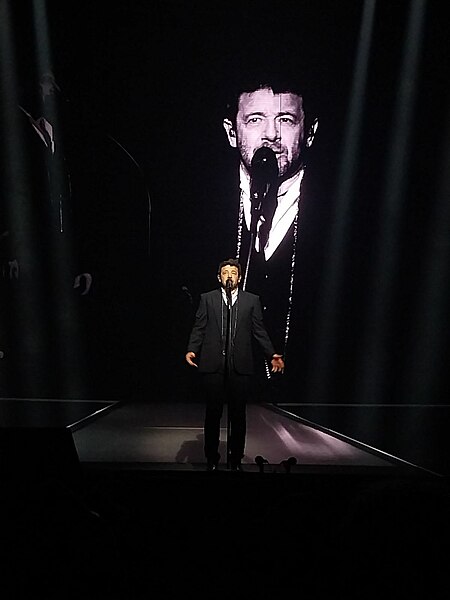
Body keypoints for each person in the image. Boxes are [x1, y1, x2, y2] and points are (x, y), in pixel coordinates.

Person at [222, 74, 319, 365]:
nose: (271, 135)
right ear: (231, 132)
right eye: (255, 120)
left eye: (285, 120)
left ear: (310, 132)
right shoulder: (192, 211)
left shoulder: (348, 217)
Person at [185, 258, 284, 470]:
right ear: (219, 276)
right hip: (214, 365)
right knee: (213, 414)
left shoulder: (251, 300)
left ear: (239, 277)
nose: (229, 275)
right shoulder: (208, 299)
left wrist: (271, 353)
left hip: (240, 366)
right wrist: (192, 348)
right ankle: (212, 458)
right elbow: (199, 326)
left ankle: (236, 458)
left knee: (238, 415)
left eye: (233, 272)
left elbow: (259, 330)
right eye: (224, 272)